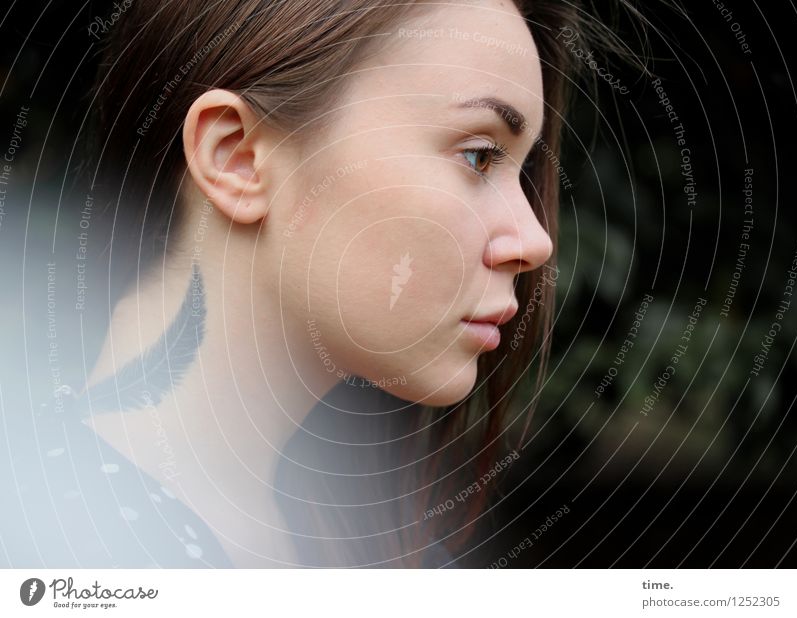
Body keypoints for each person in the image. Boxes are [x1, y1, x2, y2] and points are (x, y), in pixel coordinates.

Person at [3, 0, 613, 568]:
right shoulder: (65, 547)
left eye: (523, 169)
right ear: (237, 157)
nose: (535, 241)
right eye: (480, 156)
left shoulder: (310, 533)